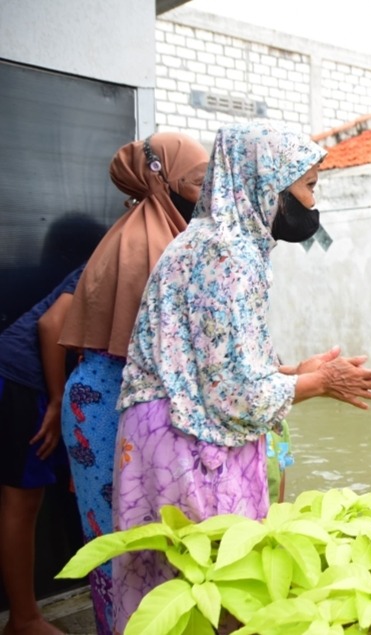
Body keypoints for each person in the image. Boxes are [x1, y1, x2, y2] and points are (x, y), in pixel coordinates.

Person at [110, 122, 371, 632]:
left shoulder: (210, 241)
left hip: (167, 429)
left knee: (166, 601)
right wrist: (321, 383)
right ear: (267, 185)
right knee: (216, 596)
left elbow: (213, 367)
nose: (311, 201)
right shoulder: (228, 255)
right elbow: (235, 395)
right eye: (308, 186)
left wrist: (293, 371)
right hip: (188, 442)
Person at [56, 131, 208, 635]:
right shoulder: (153, 244)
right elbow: (175, 357)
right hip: (111, 409)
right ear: (163, 179)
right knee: (126, 548)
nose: (207, 194)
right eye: (199, 182)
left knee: (114, 542)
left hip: (96, 399)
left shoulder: (133, 231)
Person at [0, 265, 85, 635]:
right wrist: (56, 401)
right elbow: (52, 325)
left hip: (23, 377)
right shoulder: (111, 255)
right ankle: (23, 620)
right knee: (21, 504)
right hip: (23, 379)